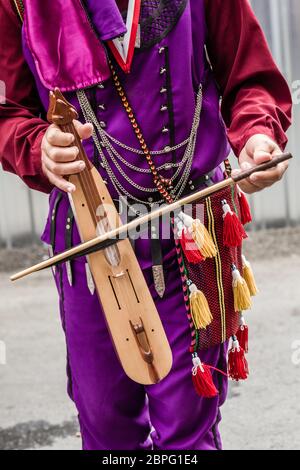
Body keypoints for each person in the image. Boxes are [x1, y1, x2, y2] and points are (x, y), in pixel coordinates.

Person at [0, 0, 292, 450]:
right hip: (88, 234)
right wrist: (36, 146)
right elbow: (9, 112)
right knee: (106, 428)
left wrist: (256, 134)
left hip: (191, 230)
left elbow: (248, 73)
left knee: (189, 430)